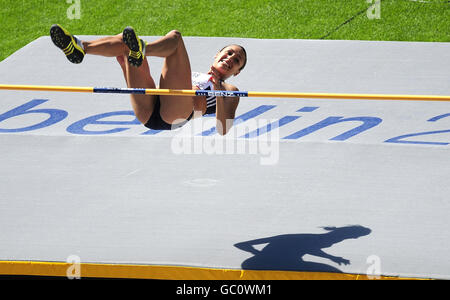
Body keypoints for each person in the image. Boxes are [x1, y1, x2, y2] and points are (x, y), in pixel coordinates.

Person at [49, 24, 247, 135]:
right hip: (149, 110)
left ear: (237, 71)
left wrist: (219, 88)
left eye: (236, 60)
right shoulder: (193, 73)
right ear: (217, 54)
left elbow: (223, 128)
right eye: (228, 53)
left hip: (174, 115)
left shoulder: (231, 89)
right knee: (125, 44)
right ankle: (81, 48)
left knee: (175, 38)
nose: (230, 58)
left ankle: (142, 50)